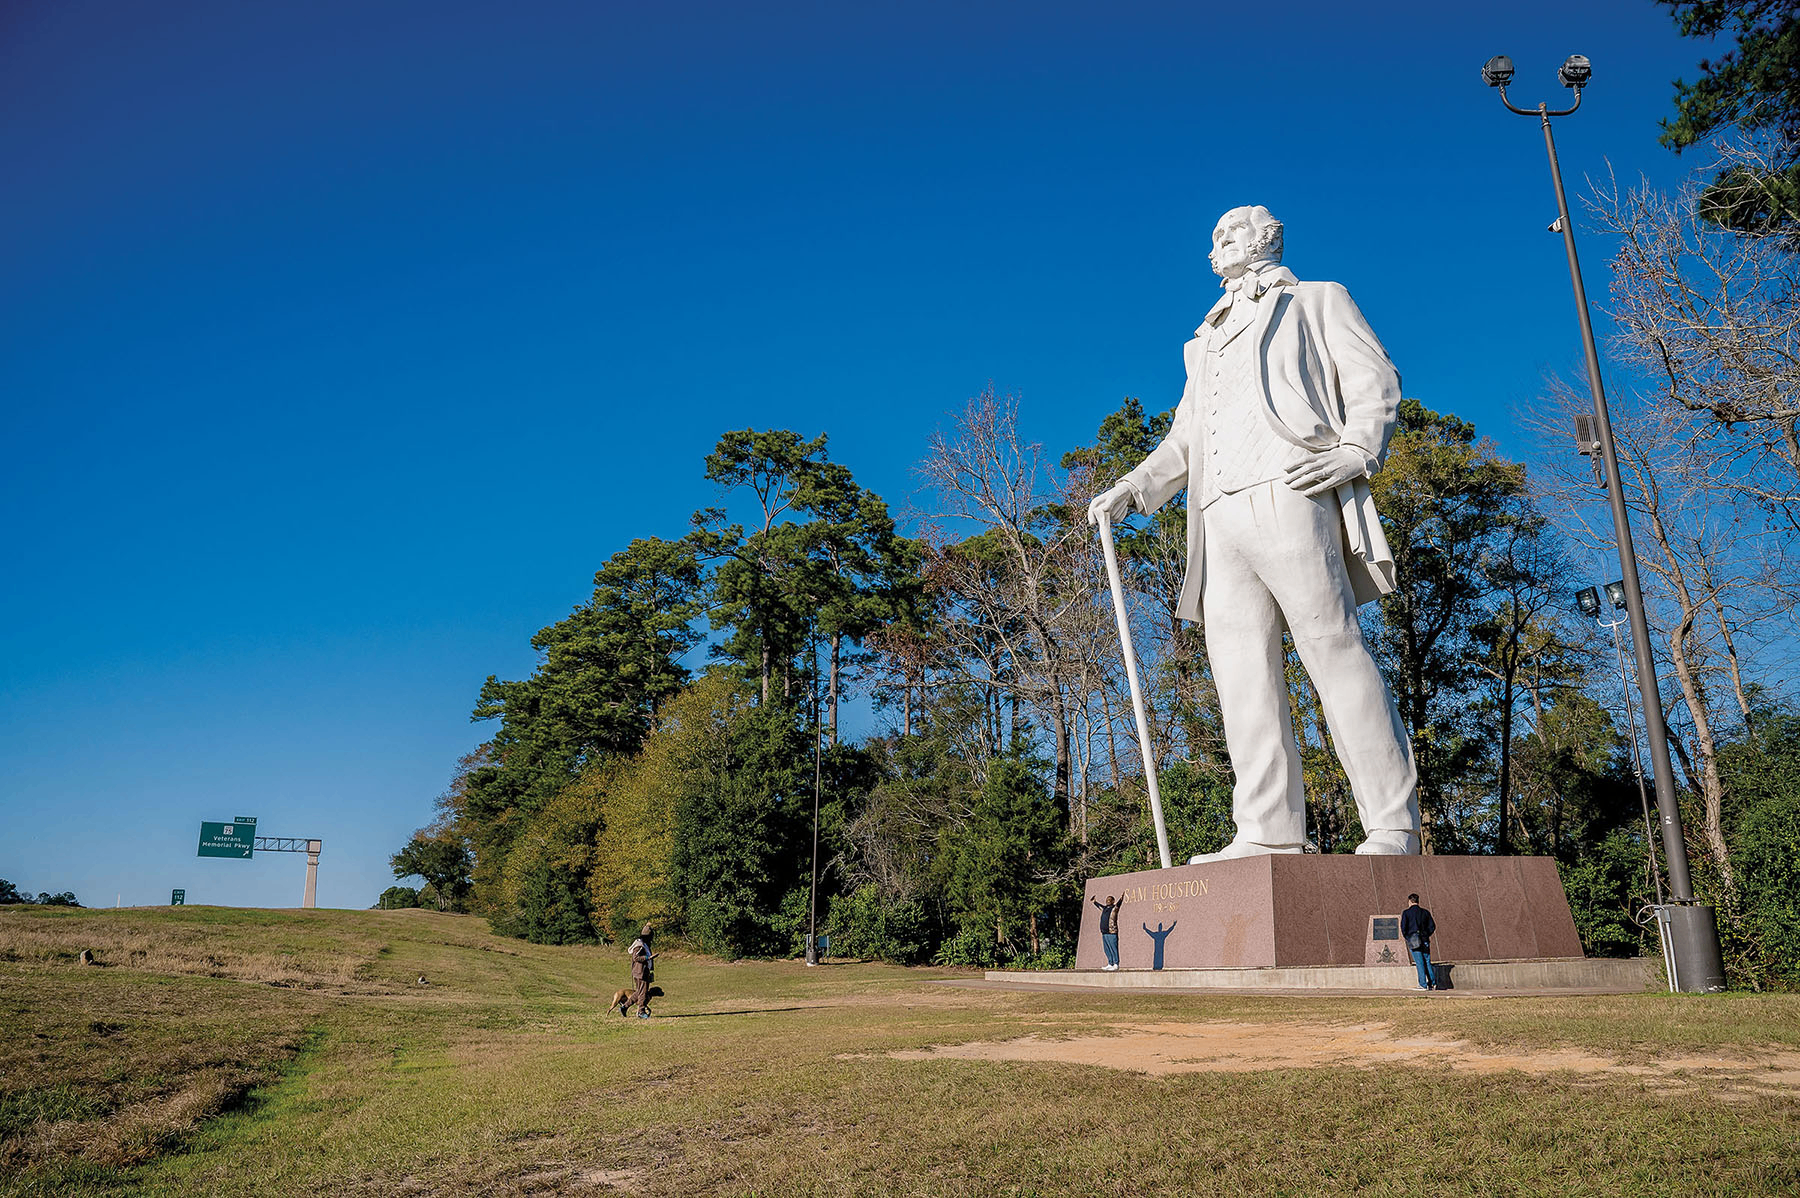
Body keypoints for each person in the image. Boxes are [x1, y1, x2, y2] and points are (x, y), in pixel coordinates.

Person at [1088, 205, 1421, 863]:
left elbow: (1374, 378)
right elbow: (1186, 438)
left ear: (1266, 238)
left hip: (1291, 488)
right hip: (1216, 514)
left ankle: (1393, 826)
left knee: (1332, 648)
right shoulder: (1203, 340)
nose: (1216, 245)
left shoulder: (1317, 300)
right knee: (1241, 676)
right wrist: (1133, 486)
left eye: (1229, 233)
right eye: (1213, 238)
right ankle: (1268, 829)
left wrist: (1358, 448)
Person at [1401, 894, 1436, 991]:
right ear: (1418, 901)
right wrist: (1426, 934)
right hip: (1424, 939)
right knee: (1427, 961)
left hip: (1413, 940)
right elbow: (1432, 926)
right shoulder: (1425, 912)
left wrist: (1408, 937)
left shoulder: (1406, 913)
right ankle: (1432, 983)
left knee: (1419, 962)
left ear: (1409, 901)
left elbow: (1403, 927)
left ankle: (1423, 984)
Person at [628, 923, 657, 1018]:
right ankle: (641, 1012)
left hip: (644, 971)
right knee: (643, 992)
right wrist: (648, 957)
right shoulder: (639, 945)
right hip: (640, 972)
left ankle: (624, 1006)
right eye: (651, 936)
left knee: (639, 992)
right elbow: (636, 957)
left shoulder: (645, 944)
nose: (652, 939)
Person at [1092, 894, 1122, 970]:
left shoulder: (1114, 908)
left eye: (1109, 900)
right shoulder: (1104, 908)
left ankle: (1116, 964)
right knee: (1106, 949)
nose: (1108, 901)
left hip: (1111, 932)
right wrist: (1094, 902)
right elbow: (1099, 906)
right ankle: (1110, 963)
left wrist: (1121, 898)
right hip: (1104, 932)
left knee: (1113, 948)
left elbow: (1119, 904)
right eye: (1107, 900)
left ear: (1113, 901)